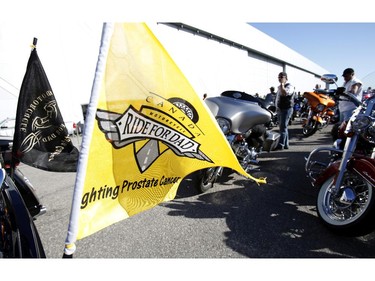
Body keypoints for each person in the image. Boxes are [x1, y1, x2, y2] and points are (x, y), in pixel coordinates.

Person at [275, 72, 295, 150]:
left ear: (286, 78)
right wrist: (276, 107)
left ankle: (281, 145)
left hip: (286, 109)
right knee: (283, 127)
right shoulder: (279, 87)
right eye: (279, 77)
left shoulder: (290, 86)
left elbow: (285, 93)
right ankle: (286, 145)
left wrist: (282, 85)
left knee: (283, 127)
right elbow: (278, 98)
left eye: (282, 77)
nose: (280, 78)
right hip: (280, 109)